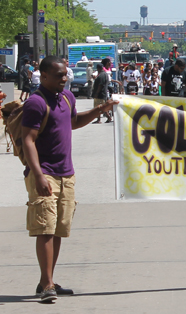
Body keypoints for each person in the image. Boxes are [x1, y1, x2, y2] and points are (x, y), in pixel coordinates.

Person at [21, 56, 118, 302]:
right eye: (58, 75)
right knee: (44, 229)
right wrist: (39, 175)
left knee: (58, 230)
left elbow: (73, 122)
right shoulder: (36, 102)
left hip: (66, 173)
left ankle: (48, 280)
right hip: (44, 174)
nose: (64, 78)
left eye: (65, 74)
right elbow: (28, 140)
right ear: (43, 76)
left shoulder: (66, 98)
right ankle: (46, 285)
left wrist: (99, 109)